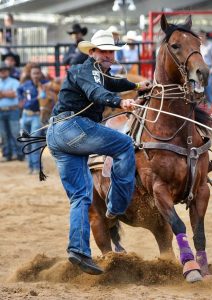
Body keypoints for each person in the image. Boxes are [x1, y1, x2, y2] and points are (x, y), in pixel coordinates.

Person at [46, 29, 152, 275]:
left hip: (58, 136)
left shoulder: (94, 73)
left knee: (81, 198)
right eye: (103, 51)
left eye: (110, 52)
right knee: (124, 145)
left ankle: (79, 251)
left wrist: (136, 85)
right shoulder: (88, 70)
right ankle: (116, 206)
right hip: (73, 128)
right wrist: (120, 101)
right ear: (92, 52)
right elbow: (98, 93)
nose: (107, 55)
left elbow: (112, 83)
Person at [17, 64, 48, 174]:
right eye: (33, 73)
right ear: (30, 74)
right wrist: (21, 99)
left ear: (40, 74)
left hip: (36, 115)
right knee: (26, 141)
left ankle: (36, 167)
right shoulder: (26, 85)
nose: (35, 75)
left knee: (34, 142)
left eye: (37, 73)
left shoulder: (45, 85)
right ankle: (30, 167)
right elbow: (19, 91)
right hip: (25, 115)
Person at [0, 62, 22, 162]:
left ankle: (20, 154)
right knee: (3, 134)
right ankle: (7, 154)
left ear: (8, 71)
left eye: (4, 70)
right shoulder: (13, 83)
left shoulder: (15, 81)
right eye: (1, 70)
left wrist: (2, 94)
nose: (2, 72)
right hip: (1, 111)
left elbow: (15, 94)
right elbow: (11, 94)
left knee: (15, 132)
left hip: (13, 109)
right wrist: (8, 93)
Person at [199, 30, 212, 108]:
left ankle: (210, 102)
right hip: (200, 68)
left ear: (206, 37)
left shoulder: (211, 45)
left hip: (209, 68)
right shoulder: (198, 46)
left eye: (202, 36)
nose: (201, 37)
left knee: (208, 84)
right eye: (200, 36)